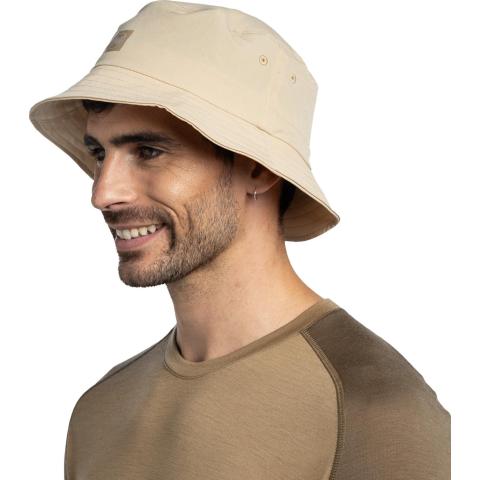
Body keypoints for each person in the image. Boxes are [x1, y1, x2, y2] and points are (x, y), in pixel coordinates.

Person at [29, 1, 450, 479]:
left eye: (148, 151)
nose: (102, 193)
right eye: (99, 153)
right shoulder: (101, 410)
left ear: (257, 167)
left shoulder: (372, 409)